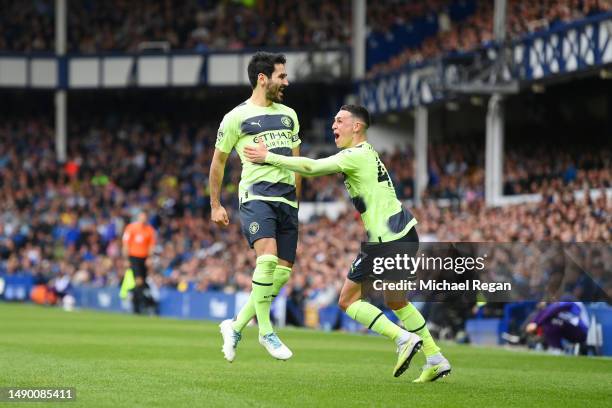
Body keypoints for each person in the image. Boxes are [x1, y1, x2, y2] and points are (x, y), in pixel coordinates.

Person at [245, 104, 451, 381]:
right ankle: (435, 357)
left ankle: (402, 338)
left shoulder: (355, 155)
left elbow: (311, 167)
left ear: (357, 126)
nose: (333, 126)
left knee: (347, 299)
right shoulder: (368, 154)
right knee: (397, 300)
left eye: (339, 121)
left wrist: (268, 156)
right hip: (405, 234)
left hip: (386, 240)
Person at [210, 51, 301, 361]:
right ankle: (266, 330)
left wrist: (297, 202)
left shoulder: (290, 115)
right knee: (267, 260)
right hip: (256, 196)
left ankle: (235, 326)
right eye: (281, 76)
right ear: (263, 79)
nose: (286, 81)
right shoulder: (236, 117)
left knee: (283, 273)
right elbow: (218, 163)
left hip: (287, 200)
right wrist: (215, 204)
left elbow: (297, 161)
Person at [122, 212, 157, 314]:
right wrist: (126, 259)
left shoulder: (150, 230)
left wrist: (149, 258)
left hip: (144, 258)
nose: (143, 219)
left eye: (145, 217)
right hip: (134, 257)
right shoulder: (131, 228)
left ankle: (133, 297)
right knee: (139, 281)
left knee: (142, 282)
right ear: (138, 218)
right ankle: (141, 306)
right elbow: (126, 244)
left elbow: (151, 246)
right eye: (142, 217)